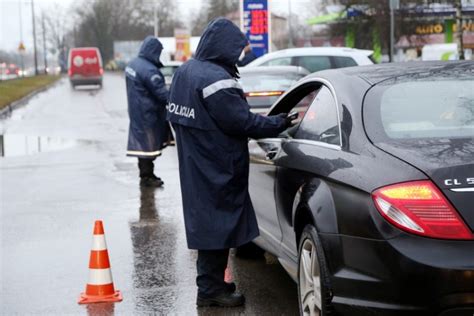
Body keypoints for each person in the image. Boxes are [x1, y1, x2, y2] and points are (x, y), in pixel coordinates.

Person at [167, 18, 293, 307]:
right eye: (236, 49)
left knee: (208, 224)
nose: (238, 55)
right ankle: (210, 292)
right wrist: (279, 123)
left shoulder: (185, 72)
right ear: (224, 47)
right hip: (219, 165)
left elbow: (173, 116)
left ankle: (210, 285)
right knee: (218, 226)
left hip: (194, 161)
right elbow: (243, 121)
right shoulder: (217, 81)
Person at [125, 36, 169, 188]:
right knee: (147, 147)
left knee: (143, 145)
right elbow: (161, 94)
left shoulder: (133, 65)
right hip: (148, 113)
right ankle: (147, 177)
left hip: (137, 111)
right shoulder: (149, 70)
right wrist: (177, 97)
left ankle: (147, 175)